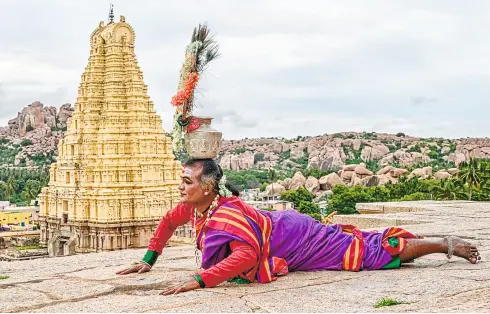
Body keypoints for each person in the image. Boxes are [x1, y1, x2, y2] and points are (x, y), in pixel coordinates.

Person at [117, 158, 481, 295]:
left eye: (187, 181)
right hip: (284, 229)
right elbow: (167, 222)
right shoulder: (199, 210)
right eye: (182, 179)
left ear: (208, 187)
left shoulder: (223, 215)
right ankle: (429, 244)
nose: (181, 186)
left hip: (296, 238)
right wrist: (149, 259)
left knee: (368, 252)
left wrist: (199, 280)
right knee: (359, 243)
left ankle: (443, 244)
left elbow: (245, 257)